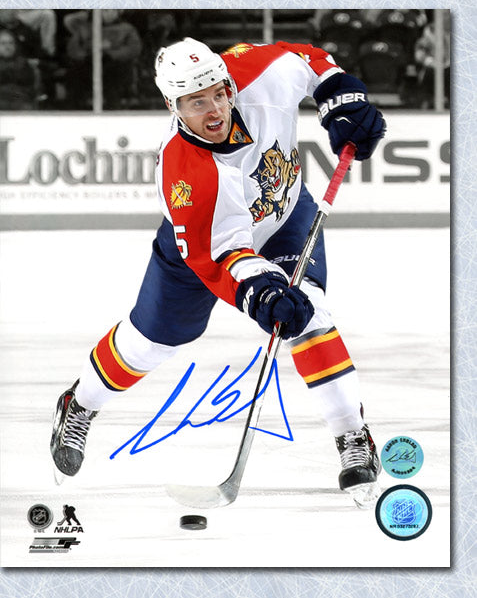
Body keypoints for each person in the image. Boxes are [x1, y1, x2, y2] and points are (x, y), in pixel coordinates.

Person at [51, 37, 386, 507]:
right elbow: (223, 254)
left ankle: (352, 434)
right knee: (151, 342)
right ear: (173, 107)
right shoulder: (184, 171)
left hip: (284, 214)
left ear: (228, 83)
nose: (214, 110)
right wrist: (262, 292)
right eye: (196, 102)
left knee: (309, 314)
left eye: (218, 93)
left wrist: (340, 97)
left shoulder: (259, 72)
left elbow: (310, 59)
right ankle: (81, 403)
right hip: (204, 246)